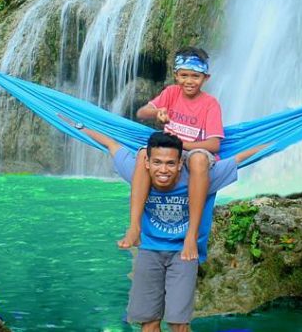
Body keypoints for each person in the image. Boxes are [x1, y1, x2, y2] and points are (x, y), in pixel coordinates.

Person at [75, 126, 265, 332]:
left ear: (180, 163)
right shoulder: (138, 174)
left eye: (170, 163)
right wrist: (75, 123)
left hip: (184, 252)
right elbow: (111, 144)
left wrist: (283, 134)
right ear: (146, 163)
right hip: (149, 250)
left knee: (179, 324)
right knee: (148, 323)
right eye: (157, 162)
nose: (163, 170)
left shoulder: (200, 179)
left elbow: (240, 158)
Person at [120, 47, 223, 261]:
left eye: (195, 76)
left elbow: (214, 144)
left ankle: (191, 236)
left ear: (206, 78)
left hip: (196, 153)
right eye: (184, 75)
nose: (189, 81)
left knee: (197, 159)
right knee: (143, 155)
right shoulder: (171, 93)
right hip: (169, 153)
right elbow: (141, 112)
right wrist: (157, 112)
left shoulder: (210, 104)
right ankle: (134, 227)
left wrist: (183, 145)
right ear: (176, 75)